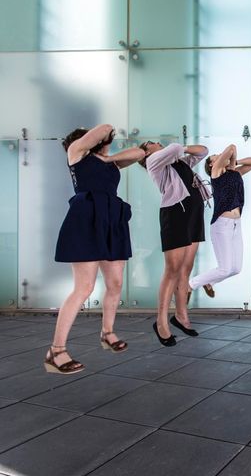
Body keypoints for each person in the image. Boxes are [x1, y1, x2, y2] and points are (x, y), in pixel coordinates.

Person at [46, 124, 145, 374]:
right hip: (87, 218)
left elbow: (139, 153)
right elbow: (106, 127)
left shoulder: (110, 162)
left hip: (112, 219)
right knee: (84, 288)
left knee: (116, 284)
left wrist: (108, 158)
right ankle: (55, 351)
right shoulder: (76, 152)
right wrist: (97, 146)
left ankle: (107, 333)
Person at [139, 140, 210, 345]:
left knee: (186, 269)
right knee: (173, 269)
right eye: (151, 143)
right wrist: (176, 150)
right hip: (176, 214)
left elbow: (203, 151)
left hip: (194, 213)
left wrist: (182, 151)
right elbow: (176, 148)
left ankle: (181, 316)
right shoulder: (154, 162)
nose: (157, 143)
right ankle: (161, 322)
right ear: (146, 154)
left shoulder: (180, 162)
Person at [188, 144, 251, 299]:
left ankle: (210, 283)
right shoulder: (216, 173)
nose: (220, 155)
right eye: (216, 156)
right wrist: (229, 159)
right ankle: (190, 285)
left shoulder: (235, 173)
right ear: (212, 164)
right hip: (222, 225)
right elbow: (232, 147)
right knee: (225, 268)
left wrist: (234, 163)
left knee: (236, 268)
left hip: (236, 225)